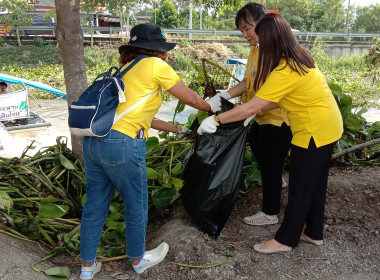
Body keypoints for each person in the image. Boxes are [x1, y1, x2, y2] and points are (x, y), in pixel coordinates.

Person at [198, 13, 343, 254]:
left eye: (261, 39)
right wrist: (248, 108)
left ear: (273, 39)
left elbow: (254, 104)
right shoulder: (300, 57)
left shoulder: (285, 69)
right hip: (328, 124)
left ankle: (286, 240)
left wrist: (216, 119)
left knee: (300, 188)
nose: (258, 43)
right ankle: (314, 232)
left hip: (312, 131)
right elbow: (277, 100)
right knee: (316, 185)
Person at [79, 23, 214, 280]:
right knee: (136, 203)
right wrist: (214, 108)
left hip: (93, 143)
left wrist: (176, 128)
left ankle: (87, 267)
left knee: (95, 203)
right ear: (158, 49)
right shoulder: (155, 66)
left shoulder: (123, 70)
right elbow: (193, 100)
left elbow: (141, 117)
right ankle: (139, 261)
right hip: (122, 145)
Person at [207, 3, 292, 226]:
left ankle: (270, 213)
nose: (245, 35)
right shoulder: (255, 49)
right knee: (258, 149)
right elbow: (247, 82)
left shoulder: (278, 52)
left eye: (247, 29)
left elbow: (278, 99)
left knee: (271, 163)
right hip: (259, 116)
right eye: (241, 30)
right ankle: (275, 182)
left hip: (277, 119)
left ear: (264, 24)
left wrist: (249, 110)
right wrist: (223, 96)